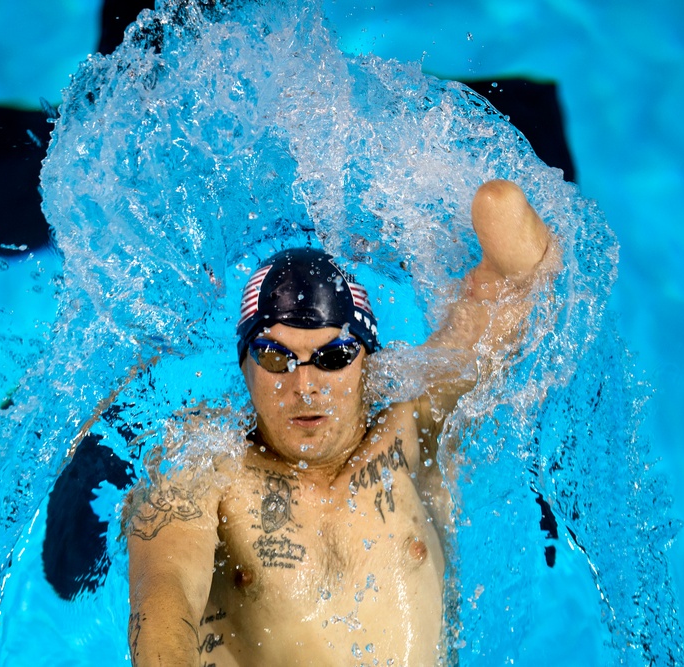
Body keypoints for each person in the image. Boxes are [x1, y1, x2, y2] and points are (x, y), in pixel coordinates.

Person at [124, 179, 552, 666]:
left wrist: (481, 198)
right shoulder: (206, 464)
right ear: (244, 366)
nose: (305, 386)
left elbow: (520, 271)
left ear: (369, 363)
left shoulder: (414, 427)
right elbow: (163, 594)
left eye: (334, 356)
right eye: (275, 358)